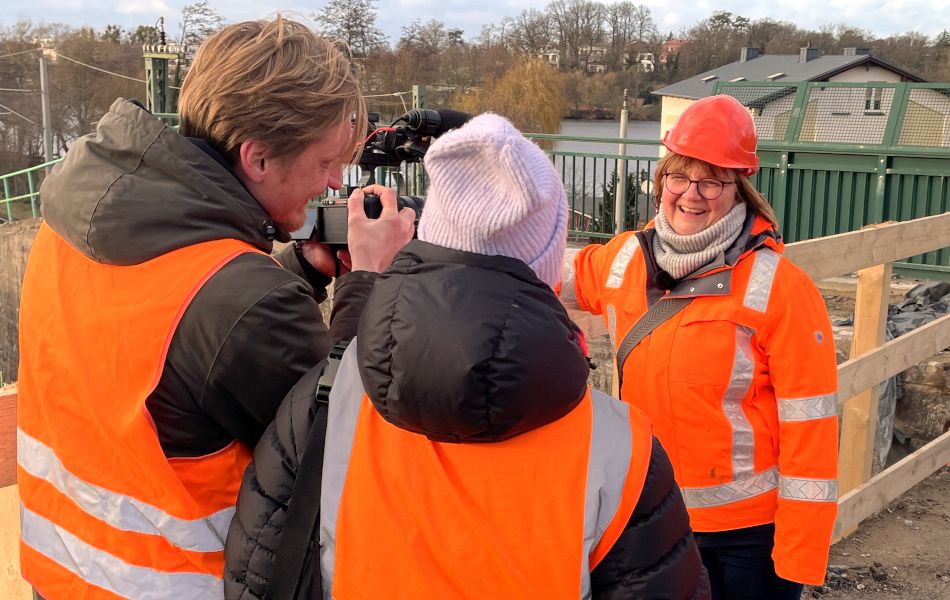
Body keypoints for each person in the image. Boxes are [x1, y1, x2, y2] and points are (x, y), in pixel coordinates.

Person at [225, 114, 710, 599]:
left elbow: (260, 574)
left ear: (427, 237)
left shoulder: (330, 395)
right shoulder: (621, 446)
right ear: (546, 268)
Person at [16, 17, 414, 599]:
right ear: (257, 160)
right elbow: (350, 440)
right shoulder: (241, 301)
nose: (334, 183)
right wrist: (370, 282)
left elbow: (172, 339)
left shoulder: (74, 223)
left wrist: (300, 272)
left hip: (61, 571)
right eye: (325, 162)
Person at [561, 94, 839, 599]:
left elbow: (811, 424)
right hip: (649, 517)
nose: (691, 194)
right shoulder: (625, 256)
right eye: (679, 176)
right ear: (662, 179)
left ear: (738, 189)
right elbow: (542, 272)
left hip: (746, 538)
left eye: (711, 179)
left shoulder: (780, 287)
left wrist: (799, 552)